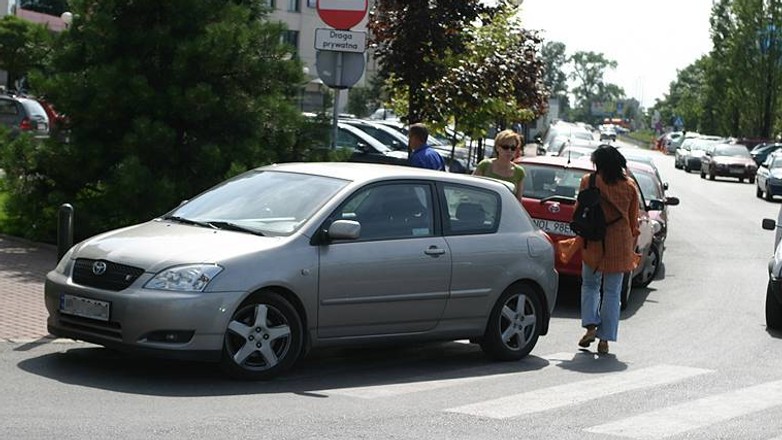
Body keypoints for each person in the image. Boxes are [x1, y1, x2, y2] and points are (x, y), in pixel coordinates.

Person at [577, 146, 640, 355]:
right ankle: (605, 340)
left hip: (594, 239)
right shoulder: (630, 187)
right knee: (613, 293)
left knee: (590, 285)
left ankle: (591, 326)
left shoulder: (589, 181)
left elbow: (579, 210)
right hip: (620, 243)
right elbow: (633, 222)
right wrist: (631, 246)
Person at [473, 129, 526, 203]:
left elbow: (518, 201)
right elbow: (472, 191)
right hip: (482, 211)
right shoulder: (485, 166)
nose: (509, 151)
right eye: (505, 147)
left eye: (513, 148)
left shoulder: (519, 172)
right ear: (497, 148)